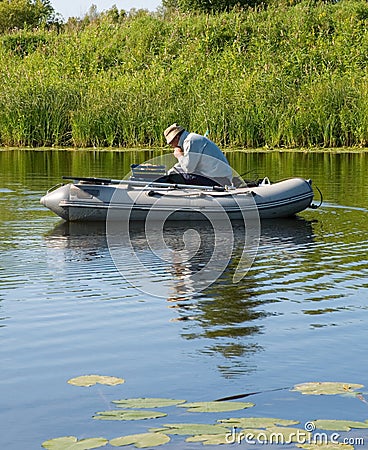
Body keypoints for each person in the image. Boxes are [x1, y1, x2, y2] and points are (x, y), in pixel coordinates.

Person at [159, 123, 233, 187]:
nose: (171, 145)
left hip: (218, 180)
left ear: (176, 137)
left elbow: (188, 169)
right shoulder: (190, 139)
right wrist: (169, 172)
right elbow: (184, 164)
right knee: (174, 175)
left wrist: (179, 155)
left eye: (171, 143)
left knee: (176, 177)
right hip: (218, 177)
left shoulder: (190, 141)